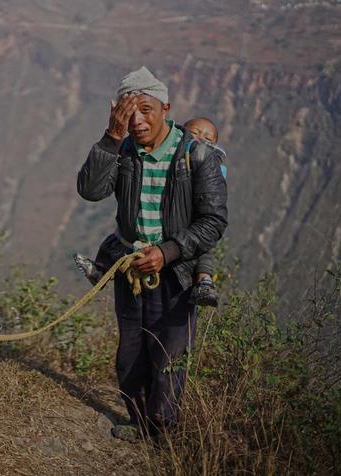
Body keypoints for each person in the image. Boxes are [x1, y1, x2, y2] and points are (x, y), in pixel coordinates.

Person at [76, 66, 227, 442]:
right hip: (131, 271)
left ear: (166, 108)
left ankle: (165, 431)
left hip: (174, 272)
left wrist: (168, 251)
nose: (138, 120)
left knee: (169, 353)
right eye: (129, 113)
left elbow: (213, 222)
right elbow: (90, 190)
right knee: (131, 350)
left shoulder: (196, 155)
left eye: (146, 110)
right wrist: (111, 136)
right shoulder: (123, 150)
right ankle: (141, 424)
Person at [74, 116, 225, 307]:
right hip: (141, 249)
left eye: (208, 138)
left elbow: (213, 215)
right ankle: (101, 271)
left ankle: (204, 282)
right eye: (194, 133)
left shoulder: (210, 164)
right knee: (117, 238)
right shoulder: (171, 159)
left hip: (190, 231)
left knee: (203, 252)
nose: (200, 139)